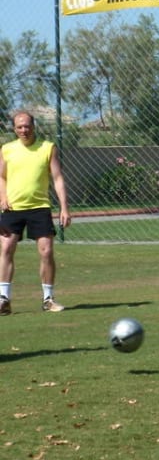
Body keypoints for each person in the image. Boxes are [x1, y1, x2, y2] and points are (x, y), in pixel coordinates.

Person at [0, 111, 71, 315]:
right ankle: (4, 300)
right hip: (12, 209)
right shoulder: (6, 150)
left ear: (34, 126)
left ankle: (48, 299)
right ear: (14, 129)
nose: (24, 130)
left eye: (27, 126)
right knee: (5, 249)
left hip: (40, 208)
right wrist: (2, 198)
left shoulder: (48, 148)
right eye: (19, 126)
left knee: (46, 251)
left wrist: (64, 208)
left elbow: (57, 178)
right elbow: (1, 177)